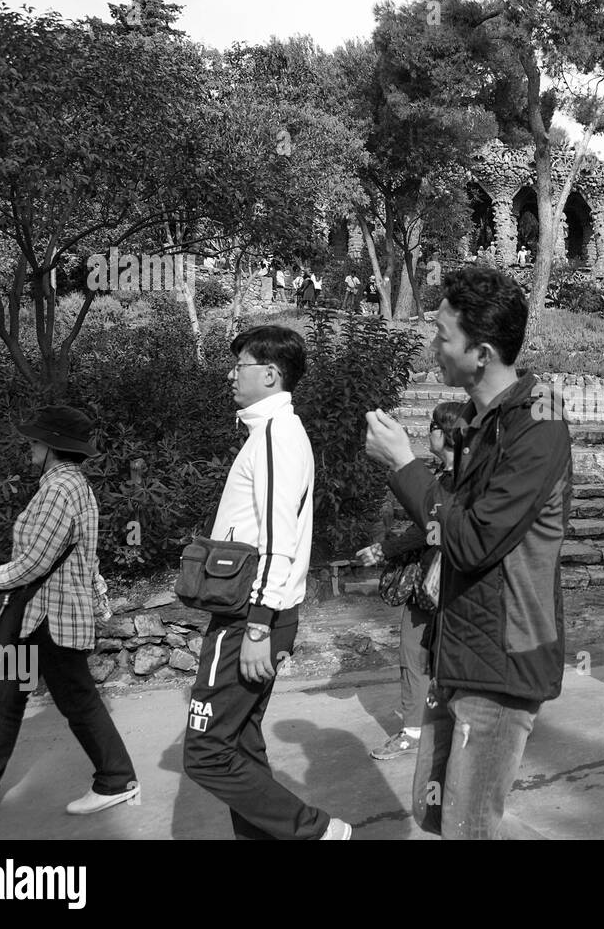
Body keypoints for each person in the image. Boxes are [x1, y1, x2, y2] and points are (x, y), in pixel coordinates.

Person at [362, 265, 572, 839]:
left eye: (441, 334)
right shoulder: (480, 424)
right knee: (435, 813)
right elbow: (447, 525)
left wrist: (404, 465)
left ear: (480, 353)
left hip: (503, 658)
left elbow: (473, 538)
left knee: (467, 825)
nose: (433, 345)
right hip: (456, 649)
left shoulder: (539, 423)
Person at [181, 325, 350, 840]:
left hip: (247, 617)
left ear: (271, 375)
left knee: (206, 754)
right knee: (240, 743)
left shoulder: (278, 438)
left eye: (242, 366)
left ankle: (316, 832)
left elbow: (281, 539)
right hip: (252, 612)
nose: (232, 375)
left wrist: (258, 627)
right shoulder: (267, 435)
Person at [0, 407, 140, 816]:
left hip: (51, 618)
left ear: (52, 446)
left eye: (34, 440)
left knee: (77, 700)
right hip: (33, 618)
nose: (29, 445)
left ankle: (117, 779)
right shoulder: (67, 485)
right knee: (7, 699)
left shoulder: (60, 490)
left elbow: (35, 562)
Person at [357, 401, 465, 761]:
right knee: (416, 652)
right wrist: (386, 549)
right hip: (435, 581)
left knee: (425, 654)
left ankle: (431, 729)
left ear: (447, 433)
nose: (427, 431)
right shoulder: (447, 477)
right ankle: (420, 728)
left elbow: (432, 528)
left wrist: (386, 550)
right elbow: (427, 527)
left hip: (445, 584)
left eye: (433, 425)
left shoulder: (460, 481)